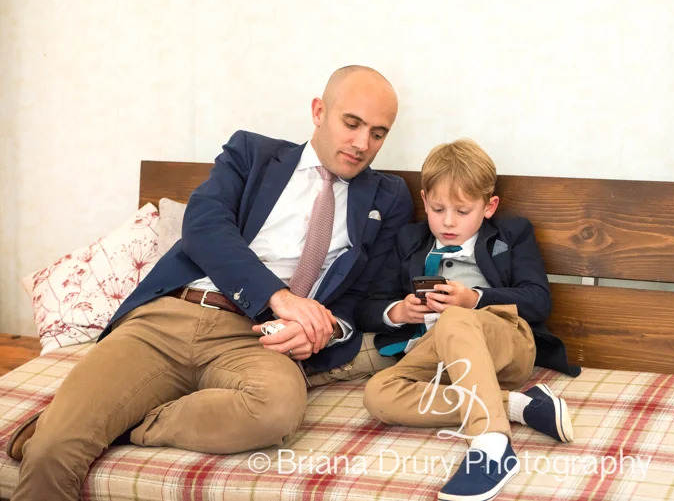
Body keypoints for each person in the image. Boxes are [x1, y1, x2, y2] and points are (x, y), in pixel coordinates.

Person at [8, 66, 414, 501]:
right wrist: (278, 297)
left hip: (257, 340)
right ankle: (78, 424)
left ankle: (128, 424)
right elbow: (203, 228)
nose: (362, 144)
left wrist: (324, 328)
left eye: (377, 133)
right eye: (352, 123)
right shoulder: (252, 154)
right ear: (319, 112)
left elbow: (364, 296)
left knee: (276, 411)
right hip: (170, 317)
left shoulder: (387, 197)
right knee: (52, 449)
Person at [358, 139, 580, 501]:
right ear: (425, 199)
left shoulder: (512, 234)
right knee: (377, 395)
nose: (448, 221)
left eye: (462, 211)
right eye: (438, 209)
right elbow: (368, 306)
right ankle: (518, 406)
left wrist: (475, 299)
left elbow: (539, 301)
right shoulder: (409, 240)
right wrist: (398, 311)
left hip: (504, 344)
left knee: (455, 319)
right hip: (439, 359)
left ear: (489, 206)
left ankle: (491, 445)